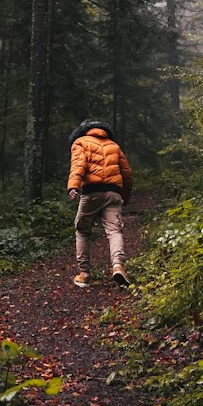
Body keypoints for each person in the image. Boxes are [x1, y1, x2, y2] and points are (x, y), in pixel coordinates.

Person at [66, 118, 133, 289]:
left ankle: (84, 273)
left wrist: (73, 186)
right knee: (114, 231)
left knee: (82, 230)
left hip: (92, 192)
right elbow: (127, 173)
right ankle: (118, 266)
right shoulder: (114, 146)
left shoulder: (80, 142)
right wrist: (125, 196)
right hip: (114, 193)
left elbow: (78, 165)